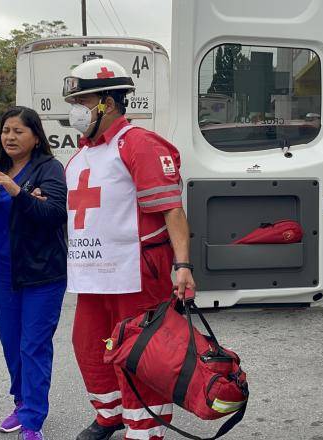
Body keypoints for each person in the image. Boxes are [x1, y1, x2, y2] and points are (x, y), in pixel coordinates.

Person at [62, 58, 196, 440]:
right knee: (89, 346)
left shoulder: (138, 143)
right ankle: (111, 416)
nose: (76, 109)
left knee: (140, 352)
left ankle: (145, 429)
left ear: (108, 101)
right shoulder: (81, 154)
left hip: (136, 270)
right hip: (92, 273)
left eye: (83, 100)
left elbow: (171, 208)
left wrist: (183, 264)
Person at [0, 106, 68, 440]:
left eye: (18, 131)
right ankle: (21, 401)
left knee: (34, 346)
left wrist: (17, 192)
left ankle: (33, 420)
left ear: (36, 136)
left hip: (42, 275)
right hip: (3, 273)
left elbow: (53, 214)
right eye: (5, 130)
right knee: (12, 344)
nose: (9, 137)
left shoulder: (49, 169)